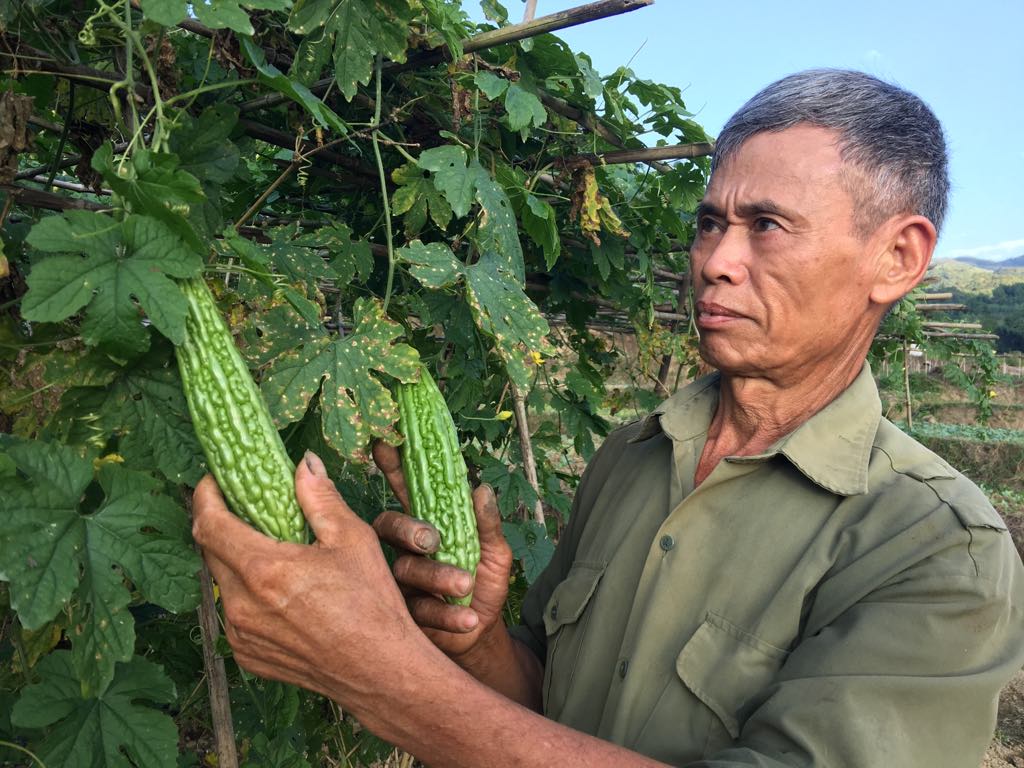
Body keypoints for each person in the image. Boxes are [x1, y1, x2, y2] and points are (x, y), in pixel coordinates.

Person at [192, 69, 1024, 767]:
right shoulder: (632, 454)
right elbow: (544, 705)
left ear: (899, 257)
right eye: (710, 223)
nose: (715, 262)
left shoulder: (940, 548)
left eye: (766, 225)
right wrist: (476, 639)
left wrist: (377, 672)